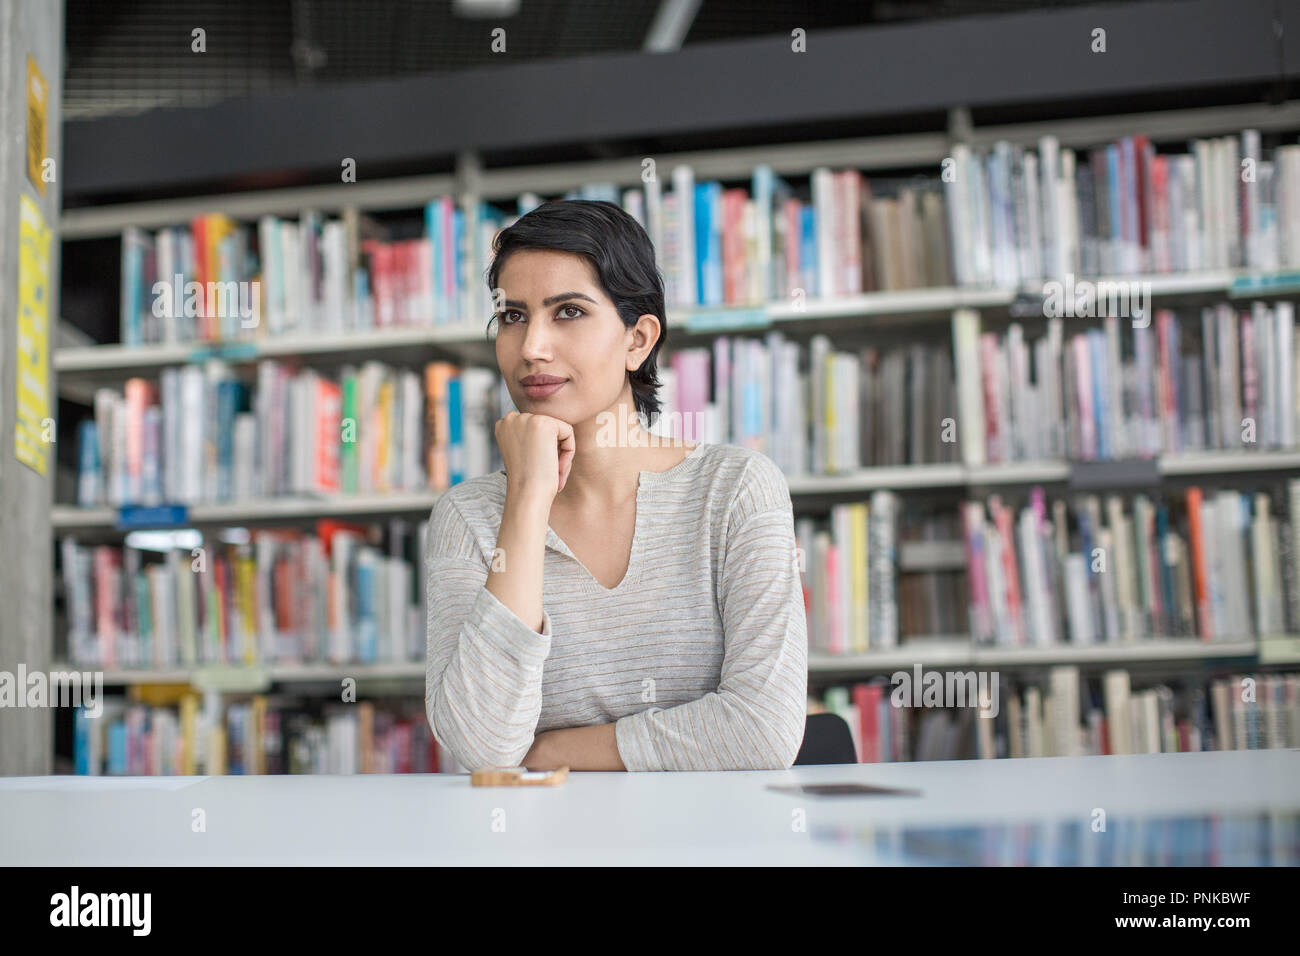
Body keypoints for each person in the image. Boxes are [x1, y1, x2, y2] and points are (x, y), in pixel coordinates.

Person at [424, 199, 808, 771]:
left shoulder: (736, 491)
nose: (532, 348)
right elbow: (482, 747)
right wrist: (527, 499)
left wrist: (551, 751)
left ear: (638, 340)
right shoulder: (468, 517)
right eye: (513, 316)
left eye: (570, 312)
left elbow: (762, 731)